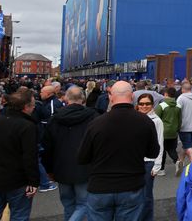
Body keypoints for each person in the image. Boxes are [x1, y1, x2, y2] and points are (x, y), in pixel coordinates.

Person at [77, 80, 160, 221]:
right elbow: (153, 153)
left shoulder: (96, 124)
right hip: (131, 185)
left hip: (100, 186)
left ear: (111, 97)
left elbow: (82, 157)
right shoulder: (145, 122)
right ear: (132, 97)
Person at [42, 86, 100, 221]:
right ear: (83, 98)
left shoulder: (55, 119)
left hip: (61, 167)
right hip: (84, 167)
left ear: (66, 98)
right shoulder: (93, 117)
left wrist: (49, 170)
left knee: (68, 204)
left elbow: (47, 147)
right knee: (84, 204)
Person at [0, 88, 39, 221]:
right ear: (25, 107)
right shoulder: (27, 126)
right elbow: (30, 157)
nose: (34, 108)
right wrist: (34, 182)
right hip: (18, 181)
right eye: (33, 105)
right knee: (19, 216)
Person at [136, 93, 164, 220]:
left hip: (149, 163)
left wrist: (157, 165)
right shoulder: (134, 118)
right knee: (134, 195)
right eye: (141, 104)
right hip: (134, 162)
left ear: (152, 105)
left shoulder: (156, 121)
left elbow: (160, 143)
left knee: (146, 196)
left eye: (147, 104)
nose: (144, 106)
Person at [155, 87, 182, 176]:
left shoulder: (161, 106)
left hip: (163, 132)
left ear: (166, 94)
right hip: (173, 132)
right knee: (172, 149)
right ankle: (177, 160)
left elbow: (156, 119)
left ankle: (161, 170)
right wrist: (177, 129)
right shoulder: (178, 106)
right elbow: (180, 120)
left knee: (161, 151)